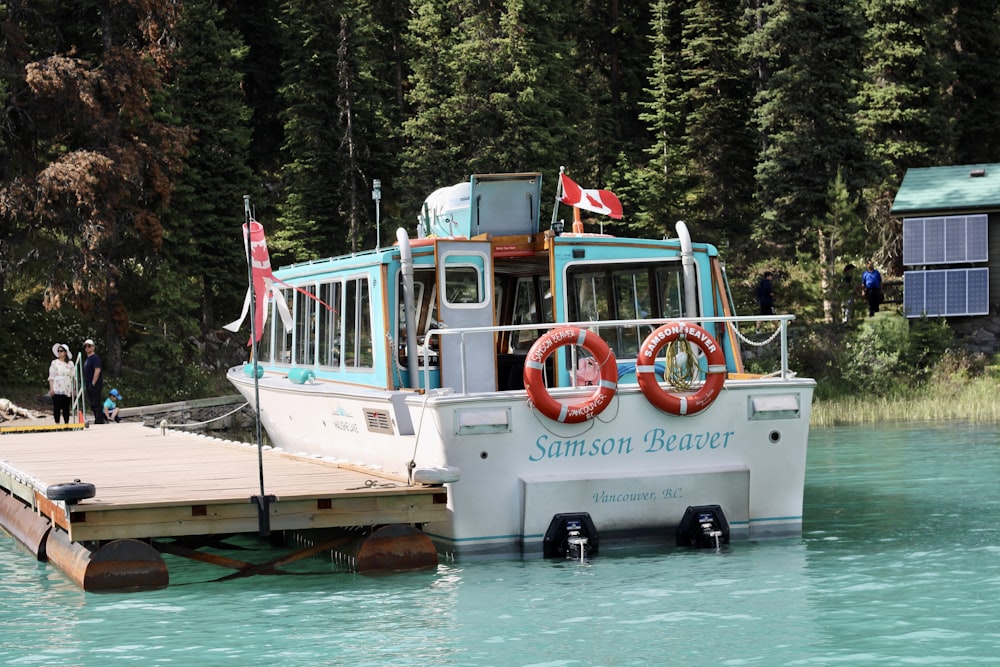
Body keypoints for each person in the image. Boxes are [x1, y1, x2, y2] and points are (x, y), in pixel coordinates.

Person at [47, 343, 76, 424]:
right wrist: (51, 388)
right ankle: (57, 423)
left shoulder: (70, 364)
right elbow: (51, 376)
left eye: (61, 351)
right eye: (58, 351)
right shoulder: (54, 363)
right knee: (57, 407)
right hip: (57, 386)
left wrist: (73, 388)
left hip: (67, 387)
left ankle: (66, 423)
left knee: (66, 407)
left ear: (65, 352)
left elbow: (73, 377)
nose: (59, 352)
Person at [82, 338, 106, 424]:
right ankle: (99, 417)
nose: (87, 348)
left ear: (93, 347)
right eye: (85, 346)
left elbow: (97, 370)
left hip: (95, 383)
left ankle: (100, 420)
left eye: (89, 346)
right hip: (88, 383)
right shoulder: (87, 359)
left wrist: (93, 382)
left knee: (96, 401)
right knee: (92, 402)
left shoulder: (95, 358)